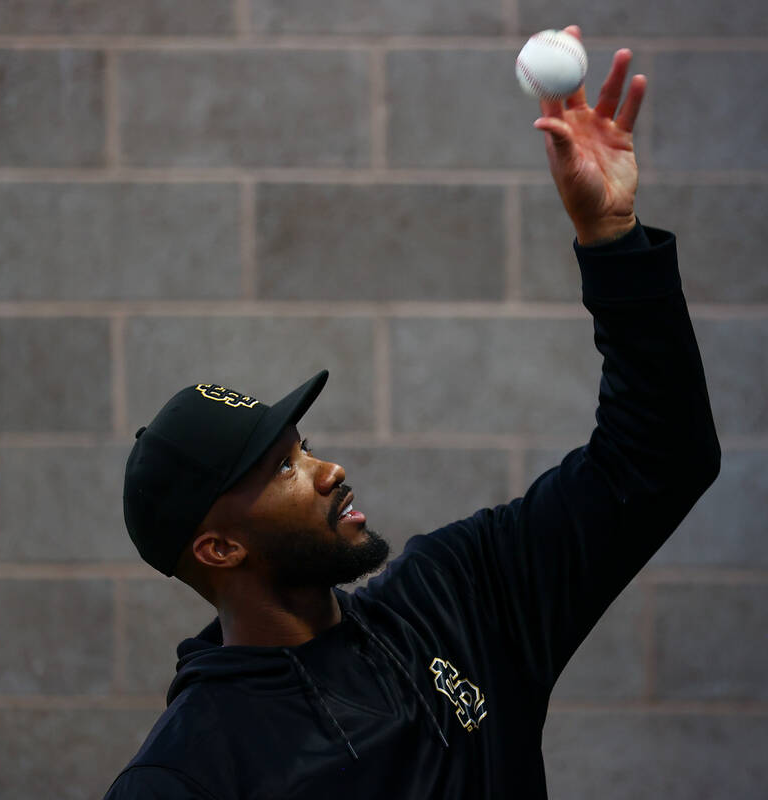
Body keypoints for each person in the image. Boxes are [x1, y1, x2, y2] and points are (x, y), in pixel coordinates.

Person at [106, 27, 720, 799]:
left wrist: (611, 239)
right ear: (220, 547)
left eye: (305, 447)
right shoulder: (190, 772)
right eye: (283, 469)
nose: (328, 470)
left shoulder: (459, 598)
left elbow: (661, 459)